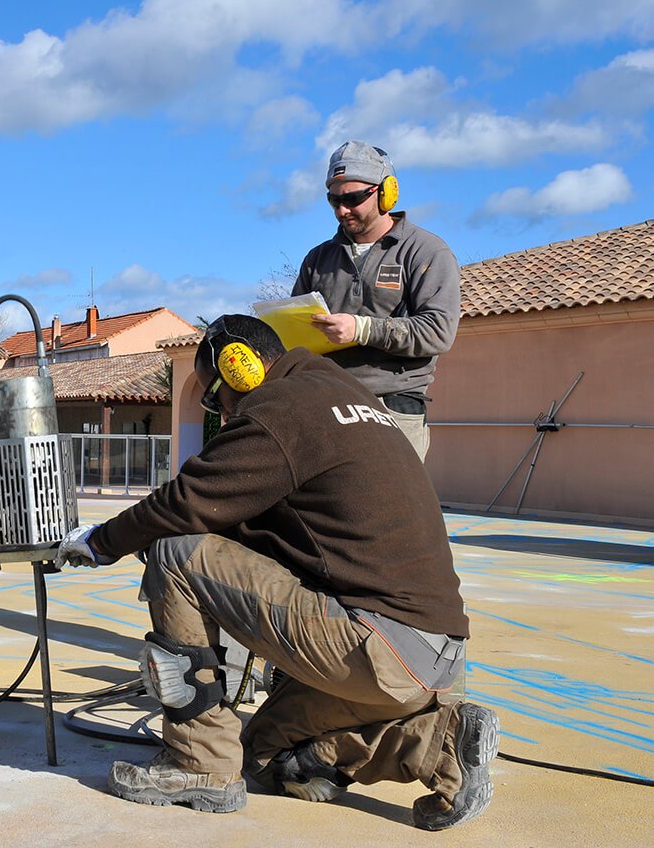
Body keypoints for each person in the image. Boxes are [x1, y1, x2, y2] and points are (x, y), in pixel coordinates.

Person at [55, 315, 498, 831]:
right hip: (432, 657)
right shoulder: (339, 392)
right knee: (265, 754)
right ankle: (440, 747)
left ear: (239, 370)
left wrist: (102, 541)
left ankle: (198, 766)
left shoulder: (278, 410)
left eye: (217, 398)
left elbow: (188, 502)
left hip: (378, 647)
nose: (222, 413)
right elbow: (270, 536)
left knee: (177, 554)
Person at [293, 140, 461, 459]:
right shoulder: (317, 260)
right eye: (334, 200)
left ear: (386, 192)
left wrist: (362, 329)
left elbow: (439, 331)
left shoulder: (426, 252)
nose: (342, 210)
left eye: (353, 199)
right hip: (325, 406)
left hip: (393, 409)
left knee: (390, 508)